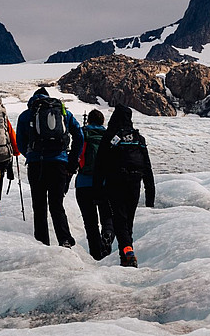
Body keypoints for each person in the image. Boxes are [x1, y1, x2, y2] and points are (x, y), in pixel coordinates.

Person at [15, 87, 83, 247]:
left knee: (39, 207)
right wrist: (71, 160)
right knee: (56, 204)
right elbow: (79, 135)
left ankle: (42, 243)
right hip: (59, 163)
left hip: (36, 165)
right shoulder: (63, 112)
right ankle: (65, 239)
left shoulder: (26, 115)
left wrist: (31, 156)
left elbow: (20, 143)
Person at [92, 103, 155, 268]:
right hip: (135, 183)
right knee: (129, 222)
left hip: (115, 183)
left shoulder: (111, 136)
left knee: (119, 221)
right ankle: (127, 255)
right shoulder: (138, 138)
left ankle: (127, 253)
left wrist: (97, 191)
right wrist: (150, 196)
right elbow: (147, 168)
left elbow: (100, 166)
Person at [74, 109, 114, 260]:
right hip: (104, 184)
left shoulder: (83, 134)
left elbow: (76, 156)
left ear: (89, 121)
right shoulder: (109, 136)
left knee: (90, 222)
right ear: (103, 122)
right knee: (107, 215)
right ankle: (108, 234)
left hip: (84, 184)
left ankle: (96, 255)